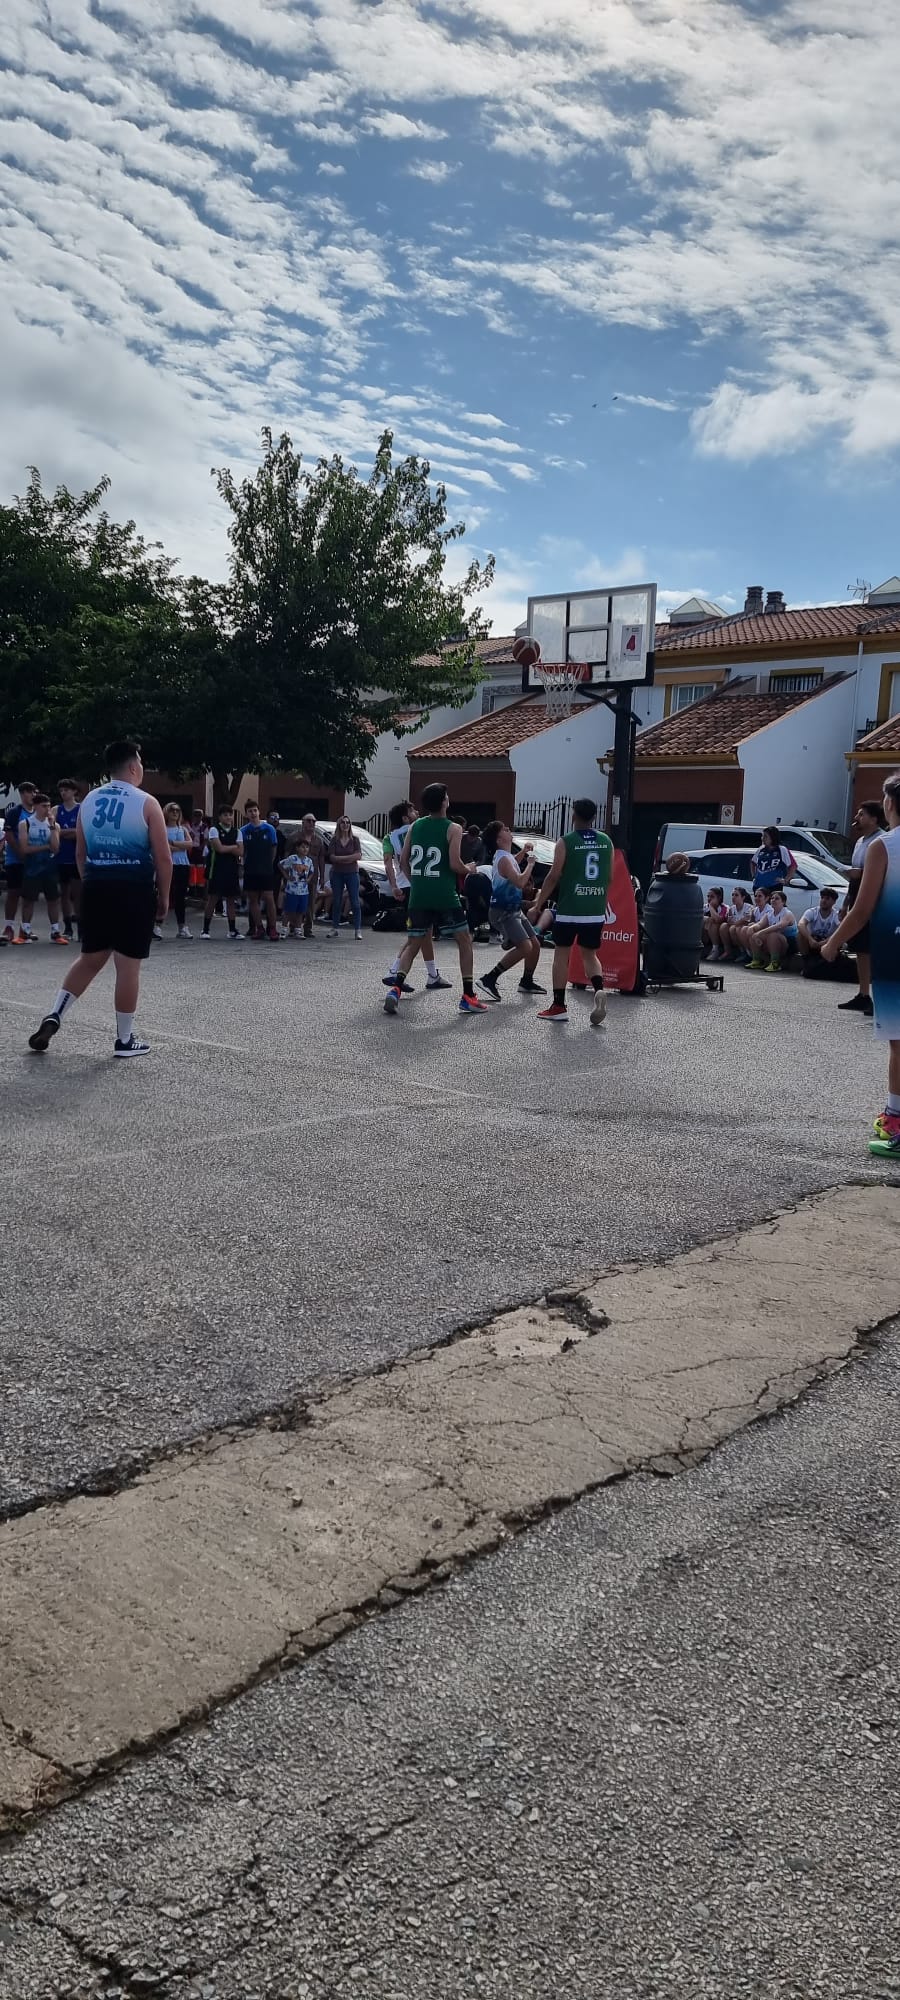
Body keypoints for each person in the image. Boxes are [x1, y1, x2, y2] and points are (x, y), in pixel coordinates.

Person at [28, 739, 172, 1058]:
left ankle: (55, 1014)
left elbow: (81, 853)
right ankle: (124, 1039)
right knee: (128, 965)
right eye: (141, 762)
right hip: (133, 889)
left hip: (95, 887)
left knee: (90, 958)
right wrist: (164, 897)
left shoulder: (90, 800)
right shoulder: (147, 803)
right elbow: (164, 858)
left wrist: (92, 881)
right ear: (133, 767)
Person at [822, 774, 900, 1157]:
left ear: (890, 804)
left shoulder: (884, 846)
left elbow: (863, 908)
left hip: (895, 951)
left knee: (899, 1044)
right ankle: (893, 1116)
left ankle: (896, 1123)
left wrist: (832, 942)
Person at [382, 783, 487, 1014]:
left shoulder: (415, 826)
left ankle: (395, 989)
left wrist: (416, 881)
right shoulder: (453, 828)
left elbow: (403, 861)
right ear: (444, 802)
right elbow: (454, 864)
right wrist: (469, 869)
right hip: (444, 893)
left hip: (419, 893)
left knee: (413, 943)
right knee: (464, 940)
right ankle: (468, 996)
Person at [527, 798, 612, 1025]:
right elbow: (609, 876)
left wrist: (537, 904)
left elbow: (553, 876)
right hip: (595, 908)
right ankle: (599, 989)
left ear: (574, 816)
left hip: (570, 907)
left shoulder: (566, 841)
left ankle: (559, 1006)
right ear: (594, 817)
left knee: (561, 956)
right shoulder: (606, 841)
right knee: (589, 954)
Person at [382, 801, 450, 993]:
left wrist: (394, 886)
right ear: (405, 818)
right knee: (418, 934)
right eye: (412, 810)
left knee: (425, 932)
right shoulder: (418, 829)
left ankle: (432, 975)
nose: (417, 812)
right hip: (418, 884)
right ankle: (394, 970)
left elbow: (388, 863)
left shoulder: (389, 837)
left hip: (404, 885)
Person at [476, 823, 545, 1002]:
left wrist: (523, 853)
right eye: (505, 830)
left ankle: (526, 981)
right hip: (503, 911)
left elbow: (513, 862)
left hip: (513, 909)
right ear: (499, 840)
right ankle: (489, 979)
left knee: (535, 944)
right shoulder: (504, 859)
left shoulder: (505, 856)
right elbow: (520, 882)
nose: (509, 831)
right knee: (526, 947)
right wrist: (530, 864)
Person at [837, 799, 887, 1019]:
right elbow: (854, 879)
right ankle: (864, 994)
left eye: (861, 814)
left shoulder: (882, 841)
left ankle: (882, 998)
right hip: (857, 894)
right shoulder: (860, 842)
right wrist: (846, 904)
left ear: (874, 819)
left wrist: (863, 873)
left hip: (877, 899)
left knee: (877, 950)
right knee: (861, 949)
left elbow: (884, 873)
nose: (856, 818)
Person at [17, 793, 66, 943]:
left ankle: (55, 931)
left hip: (49, 868)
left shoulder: (54, 825)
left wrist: (52, 826)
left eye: (49, 806)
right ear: (36, 806)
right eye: (44, 806)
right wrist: (45, 846)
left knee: (53, 900)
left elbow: (56, 848)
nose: (47, 809)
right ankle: (25, 931)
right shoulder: (25, 824)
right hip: (32, 867)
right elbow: (25, 848)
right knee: (28, 900)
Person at [238, 803, 279, 940]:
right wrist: (242, 866)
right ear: (246, 814)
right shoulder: (243, 831)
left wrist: (269, 863)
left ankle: (272, 928)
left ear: (259, 812)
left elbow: (274, 848)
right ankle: (259, 928)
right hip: (250, 869)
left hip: (266, 869)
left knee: (269, 898)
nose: (253, 813)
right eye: (250, 811)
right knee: (253, 899)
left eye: (255, 810)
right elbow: (242, 851)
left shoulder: (269, 829)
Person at [3, 779, 37, 943]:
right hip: (15, 860)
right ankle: (8, 927)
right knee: (14, 893)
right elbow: (9, 836)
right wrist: (20, 852)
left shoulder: (37, 813)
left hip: (33, 861)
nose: (32, 795)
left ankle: (26, 929)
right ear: (22, 795)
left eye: (34, 792)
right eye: (29, 792)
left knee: (29, 895)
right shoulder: (15, 812)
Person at [201, 807, 242, 939]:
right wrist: (233, 847)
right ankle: (205, 930)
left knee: (230, 900)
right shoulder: (214, 830)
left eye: (230, 814)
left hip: (231, 869)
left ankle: (232, 930)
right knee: (213, 898)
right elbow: (219, 849)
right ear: (219, 817)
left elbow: (241, 851)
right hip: (216, 869)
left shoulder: (237, 832)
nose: (228, 817)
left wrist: (229, 848)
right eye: (225, 815)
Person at [159, 803, 192, 938]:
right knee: (163, 895)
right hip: (167, 864)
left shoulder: (182, 829)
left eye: (177, 810)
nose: (175, 812)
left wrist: (174, 843)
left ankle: (182, 927)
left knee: (180, 897)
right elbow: (163, 846)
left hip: (182, 864)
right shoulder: (162, 829)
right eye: (172, 810)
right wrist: (180, 846)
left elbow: (190, 844)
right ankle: (157, 925)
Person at [327, 815, 363, 939]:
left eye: (348, 822)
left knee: (355, 901)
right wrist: (349, 858)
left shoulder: (355, 840)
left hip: (352, 873)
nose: (345, 824)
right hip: (337, 873)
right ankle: (335, 928)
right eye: (343, 822)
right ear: (339, 825)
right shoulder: (334, 840)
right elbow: (332, 857)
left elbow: (358, 855)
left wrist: (341, 859)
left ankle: (358, 929)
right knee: (337, 900)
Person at [748, 887, 798, 970]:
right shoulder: (769, 913)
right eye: (772, 898)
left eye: (777, 898)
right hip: (775, 942)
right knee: (754, 933)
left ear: (783, 902)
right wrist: (751, 928)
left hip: (790, 944)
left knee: (773, 935)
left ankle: (775, 963)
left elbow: (779, 926)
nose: (773, 900)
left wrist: (760, 933)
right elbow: (759, 924)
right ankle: (757, 960)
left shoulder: (787, 913)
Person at [56, 779, 82, 939]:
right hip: (61, 858)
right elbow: (54, 832)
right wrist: (69, 832)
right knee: (63, 894)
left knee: (78, 895)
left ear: (74, 791)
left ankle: (81, 928)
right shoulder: (56, 810)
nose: (63, 793)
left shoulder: (81, 809)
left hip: (76, 858)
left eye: (66, 790)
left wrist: (64, 832)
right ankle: (67, 928)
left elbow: (81, 832)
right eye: (61, 790)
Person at [797, 887, 841, 977]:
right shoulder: (812, 911)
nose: (823, 901)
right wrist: (810, 940)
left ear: (834, 902)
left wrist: (824, 942)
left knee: (839, 940)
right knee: (800, 934)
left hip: (827, 942)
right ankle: (806, 962)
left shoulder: (835, 915)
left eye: (827, 898)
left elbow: (840, 930)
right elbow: (801, 924)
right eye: (822, 898)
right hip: (813, 941)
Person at [280, 837, 316, 937]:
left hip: (303, 890)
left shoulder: (309, 861)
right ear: (297, 848)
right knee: (288, 910)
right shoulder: (292, 859)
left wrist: (309, 879)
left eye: (307, 847)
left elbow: (312, 871)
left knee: (301, 911)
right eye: (302, 847)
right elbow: (281, 865)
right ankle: (284, 929)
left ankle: (298, 930)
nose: (305, 849)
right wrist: (287, 876)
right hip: (292, 890)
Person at [298, 813, 328, 935]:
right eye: (309, 821)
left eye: (314, 821)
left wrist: (322, 876)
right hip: (297, 876)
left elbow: (321, 858)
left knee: (311, 902)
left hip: (312, 876)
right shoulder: (295, 837)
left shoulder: (319, 840)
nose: (311, 823)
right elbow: (287, 855)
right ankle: (294, 926)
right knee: (297, 901)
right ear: (303, 822)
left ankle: (308, 928)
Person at [733, 886, 774, 965]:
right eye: (755, 896)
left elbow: (768, 926)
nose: (757, 898)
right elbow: (750, 922)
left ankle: (759, 957)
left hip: (766, 933)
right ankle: (751, 954)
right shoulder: (755, 910)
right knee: (740, 929)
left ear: (766, 898)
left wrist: (754, 924)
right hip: (756, 931)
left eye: (760, 896)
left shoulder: (769, 910)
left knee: (746, 929)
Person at [751, 826, 796, 894]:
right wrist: (754, 876)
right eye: (762, 836)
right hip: (758, 886)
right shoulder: (761, 849)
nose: (762, 838)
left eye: (765, 836)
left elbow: (793, 866)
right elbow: (753, 862)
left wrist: (785, 880)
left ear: (773, 837)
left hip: (773, 887)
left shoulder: (781, 849)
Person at [719, 886, 753, 960]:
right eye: (732, 895)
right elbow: (729, 921)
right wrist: (735, 922)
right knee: (723, 926)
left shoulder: (749, 907)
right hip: (735, 930)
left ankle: (745, 952)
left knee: (733, 928)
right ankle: (727, 951)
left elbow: (745, 921)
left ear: (743, 897)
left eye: (736, 895)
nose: (733, 897)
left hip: (743, 931)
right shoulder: (732, 909)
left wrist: (735, 923)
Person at [702, 887, 726, 958]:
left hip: (718, 935)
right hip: (705, 934)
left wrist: (711, 907)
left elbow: (718, 920)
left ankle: (715, 950)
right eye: (708, 896)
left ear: (719, 898)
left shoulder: (724, 907)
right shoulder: (704, 907)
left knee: (713, 921)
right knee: (704, 919)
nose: (709, 898)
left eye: (712, 897)